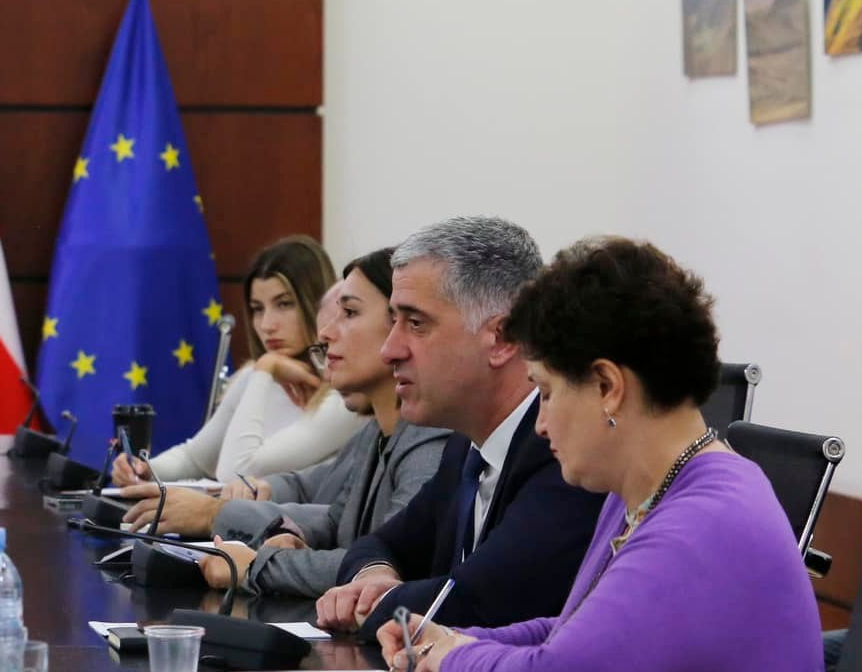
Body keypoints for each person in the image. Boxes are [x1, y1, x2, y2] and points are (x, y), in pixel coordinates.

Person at [381, 239, 828, 672]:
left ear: (607, 386)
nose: (541, 423)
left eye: (546, 392)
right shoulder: (642, 489)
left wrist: (453, 658)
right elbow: (578, 632)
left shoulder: (706, 523)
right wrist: (458, 639)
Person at [317, 216, 602, 637]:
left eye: (416, 323)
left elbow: (479, 602)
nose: (390, 350)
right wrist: (373, 575)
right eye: (393, 321)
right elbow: (382, 543)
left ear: (502, 339)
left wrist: (378, 605)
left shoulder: (563, 450)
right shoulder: (465, 447)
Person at [150, 249, 451, 597]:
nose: (325, 333)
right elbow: (334, 520)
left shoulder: (431, 436)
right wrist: (288, 535)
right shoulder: (376, 432)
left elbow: (390, 565)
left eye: (350, 313)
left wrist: (255, 564)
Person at [112, 235, 364, 502]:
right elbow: (196, 459)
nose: (267, 325)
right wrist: (143, 470)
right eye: (257, 309)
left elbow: (236, 474)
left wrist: (265, 368)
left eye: (284, 304)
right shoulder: (256, 377)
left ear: (318, 303)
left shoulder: (346, 395)